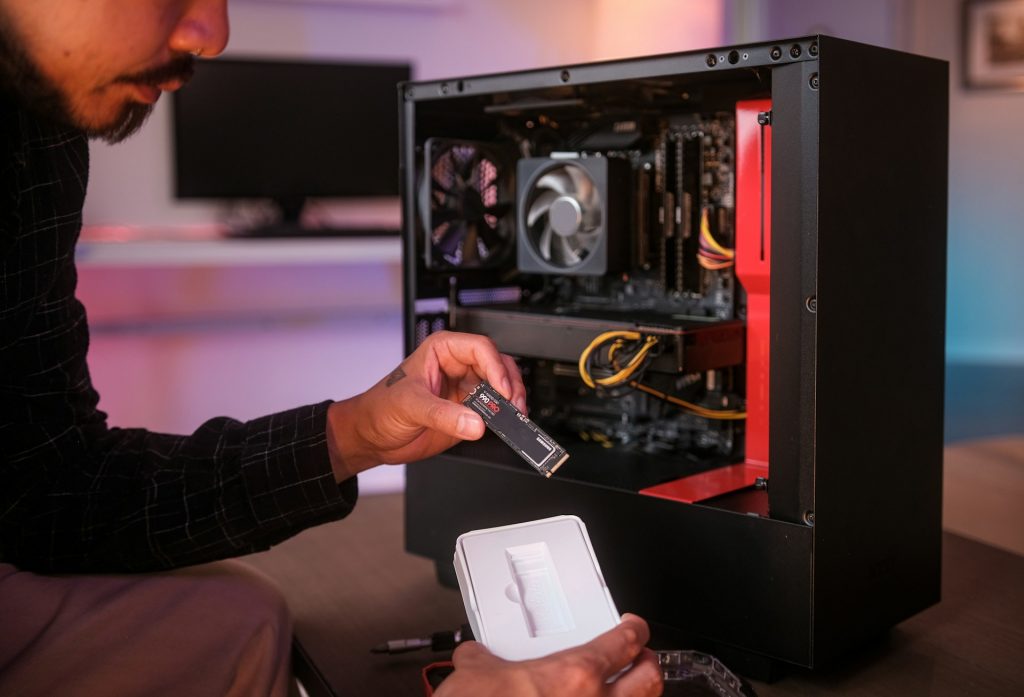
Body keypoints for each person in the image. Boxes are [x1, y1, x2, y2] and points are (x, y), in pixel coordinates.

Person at [0, 1, 663, 696]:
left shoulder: (40, 137)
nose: (212, 34)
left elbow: (50, 484)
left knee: (242, 620)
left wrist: (353, 433)